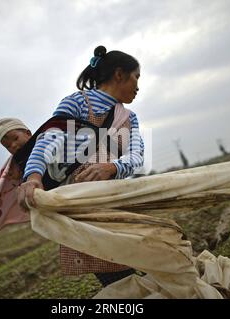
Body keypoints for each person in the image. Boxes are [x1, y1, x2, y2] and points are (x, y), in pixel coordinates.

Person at [18, 45, 144, 287]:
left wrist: (112, 167)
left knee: (149, 261)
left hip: (118, 201)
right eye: (136, 77)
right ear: (119, 74)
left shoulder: (129, 117)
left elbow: (136, 156)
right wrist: (33, 176)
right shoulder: (75, 103)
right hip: (81, 208)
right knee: (117, 277)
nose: (138, 86)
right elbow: (48, 139)